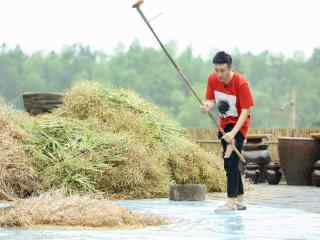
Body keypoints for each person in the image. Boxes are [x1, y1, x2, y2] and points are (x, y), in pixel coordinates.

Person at [201, 51, 254, 212]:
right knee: (232, 164)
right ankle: (240, 200)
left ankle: (231, 203)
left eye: (222, 70)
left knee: (229, 162)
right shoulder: (212, 79)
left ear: (229, 68)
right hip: (223, 125)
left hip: (239, 125)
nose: (219, 74)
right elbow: (210, 99)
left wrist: (233, 133)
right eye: (216, 70)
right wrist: (208, 105)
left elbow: (246, 111)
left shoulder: (241, 83)